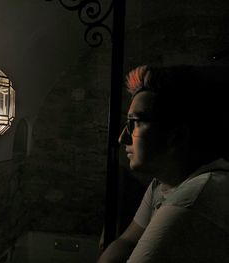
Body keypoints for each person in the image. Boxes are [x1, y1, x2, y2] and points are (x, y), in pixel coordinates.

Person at [97, 64, 229, 263]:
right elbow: (127, 242)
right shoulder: (164, 183)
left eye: (135, 123)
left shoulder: (193, 199)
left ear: (176, 136)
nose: (122, 137)